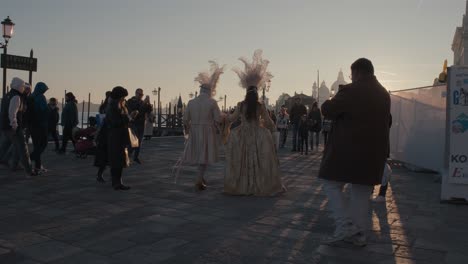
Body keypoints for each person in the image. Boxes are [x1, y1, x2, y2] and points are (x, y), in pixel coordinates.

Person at [319, 58, 391, 247]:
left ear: (357, 72)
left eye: (352, 74)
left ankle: (345, 225)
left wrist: (328, 99)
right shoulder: (384, 93)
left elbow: (327, 109)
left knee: (330, 182)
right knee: (361, 192)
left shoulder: (352, 90)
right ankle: (358, 233)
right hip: (373, 154)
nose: (351, 77)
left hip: (348, 152)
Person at [224, 50, 285, 196]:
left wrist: (222, 118)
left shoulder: (240, 105)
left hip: (242, 134)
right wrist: (273, 129)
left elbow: (231, 119)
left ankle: (242, 186)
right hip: (259, 134)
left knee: (242, 161)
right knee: (260, 160)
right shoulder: (260, 106)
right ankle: (259, 184)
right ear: (257, 92)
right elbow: (269, 122)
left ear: (246, 92)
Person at [175, 61, 224, 190]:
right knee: (205, 155)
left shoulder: (191, 102)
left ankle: (200, 177)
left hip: (195, 130)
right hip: (207, 131)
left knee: (199, 154)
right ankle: (199, 179)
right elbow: (218, 119)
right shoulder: (212, 102)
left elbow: (185, 120)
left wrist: (187, 132)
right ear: (210, 91)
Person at [0, 77, 36, 177]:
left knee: (4, 146)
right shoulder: (16, 97)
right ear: (19, 86)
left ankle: (7, 162)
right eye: (23, 87)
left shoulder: (7, 95)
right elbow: (12, 113)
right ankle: (29, 171)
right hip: (13, 128)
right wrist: (15, 126)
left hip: (5, 127)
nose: (24, 88)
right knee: (23, 149)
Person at [106, 86, 131, 190]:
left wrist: (129, 117)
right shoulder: (112, 107)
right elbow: (115, 122)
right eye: (123, 97)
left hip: (120, 135)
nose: (124, 99)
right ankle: (116, 182)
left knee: (120, 159)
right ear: (118, 96)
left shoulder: (119, 105)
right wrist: (127, 118)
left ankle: (118, 181)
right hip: (115, 136)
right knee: (116, 159)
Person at [126, 89, 153, 164]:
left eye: (142, 95)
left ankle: (135, 157)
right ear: (136, 93)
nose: (141, 96)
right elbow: (135, 110)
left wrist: (148, 102)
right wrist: (143, 103)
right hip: (133, 124)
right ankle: (128, 155)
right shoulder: (130, 101)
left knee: (139, 142)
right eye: (139, 94)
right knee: (134, 142)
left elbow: (149, 110)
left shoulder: (142, 102)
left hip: (141, 124)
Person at [29, 82, 50, 172]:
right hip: (41, 125)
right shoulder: (41, 97)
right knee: (44, 143)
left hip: (32, 125)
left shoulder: (31, 97)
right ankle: (30, 158)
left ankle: (38, 166)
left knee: (36, 145)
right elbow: (44, 110)